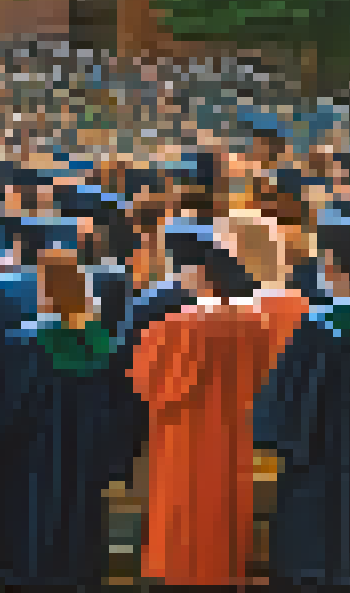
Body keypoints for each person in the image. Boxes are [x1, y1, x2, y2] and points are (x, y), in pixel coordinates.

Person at [254, 213, 350, 590]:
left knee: (315, 551)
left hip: (319, 460)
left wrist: (267, 431)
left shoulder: (318, 327)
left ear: (334, 266)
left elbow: (287, 404)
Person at [129, 221, 278, 588]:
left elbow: (143, 382)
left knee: (181, 512)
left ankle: (179, 572)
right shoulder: (253, 323)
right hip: (232, 432)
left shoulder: (171, 327)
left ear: (200, 274)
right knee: (223, 508)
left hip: (184, 437)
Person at [0, 244, 139, 591]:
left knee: (34, 529)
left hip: (34, 462)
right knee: (79, 526)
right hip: (86, 462)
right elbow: (121, 414)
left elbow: (11, 412)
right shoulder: (107, 347)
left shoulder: (26, 345)